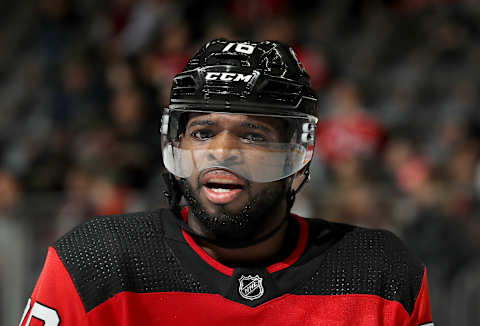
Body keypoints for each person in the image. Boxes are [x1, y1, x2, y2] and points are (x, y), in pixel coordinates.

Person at [19, 39, 433, 326]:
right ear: (176, 142)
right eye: (203, 132)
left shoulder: (380, 272)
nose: (222, 150)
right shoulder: (92, 262)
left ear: (298, 152)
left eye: (252, 134)